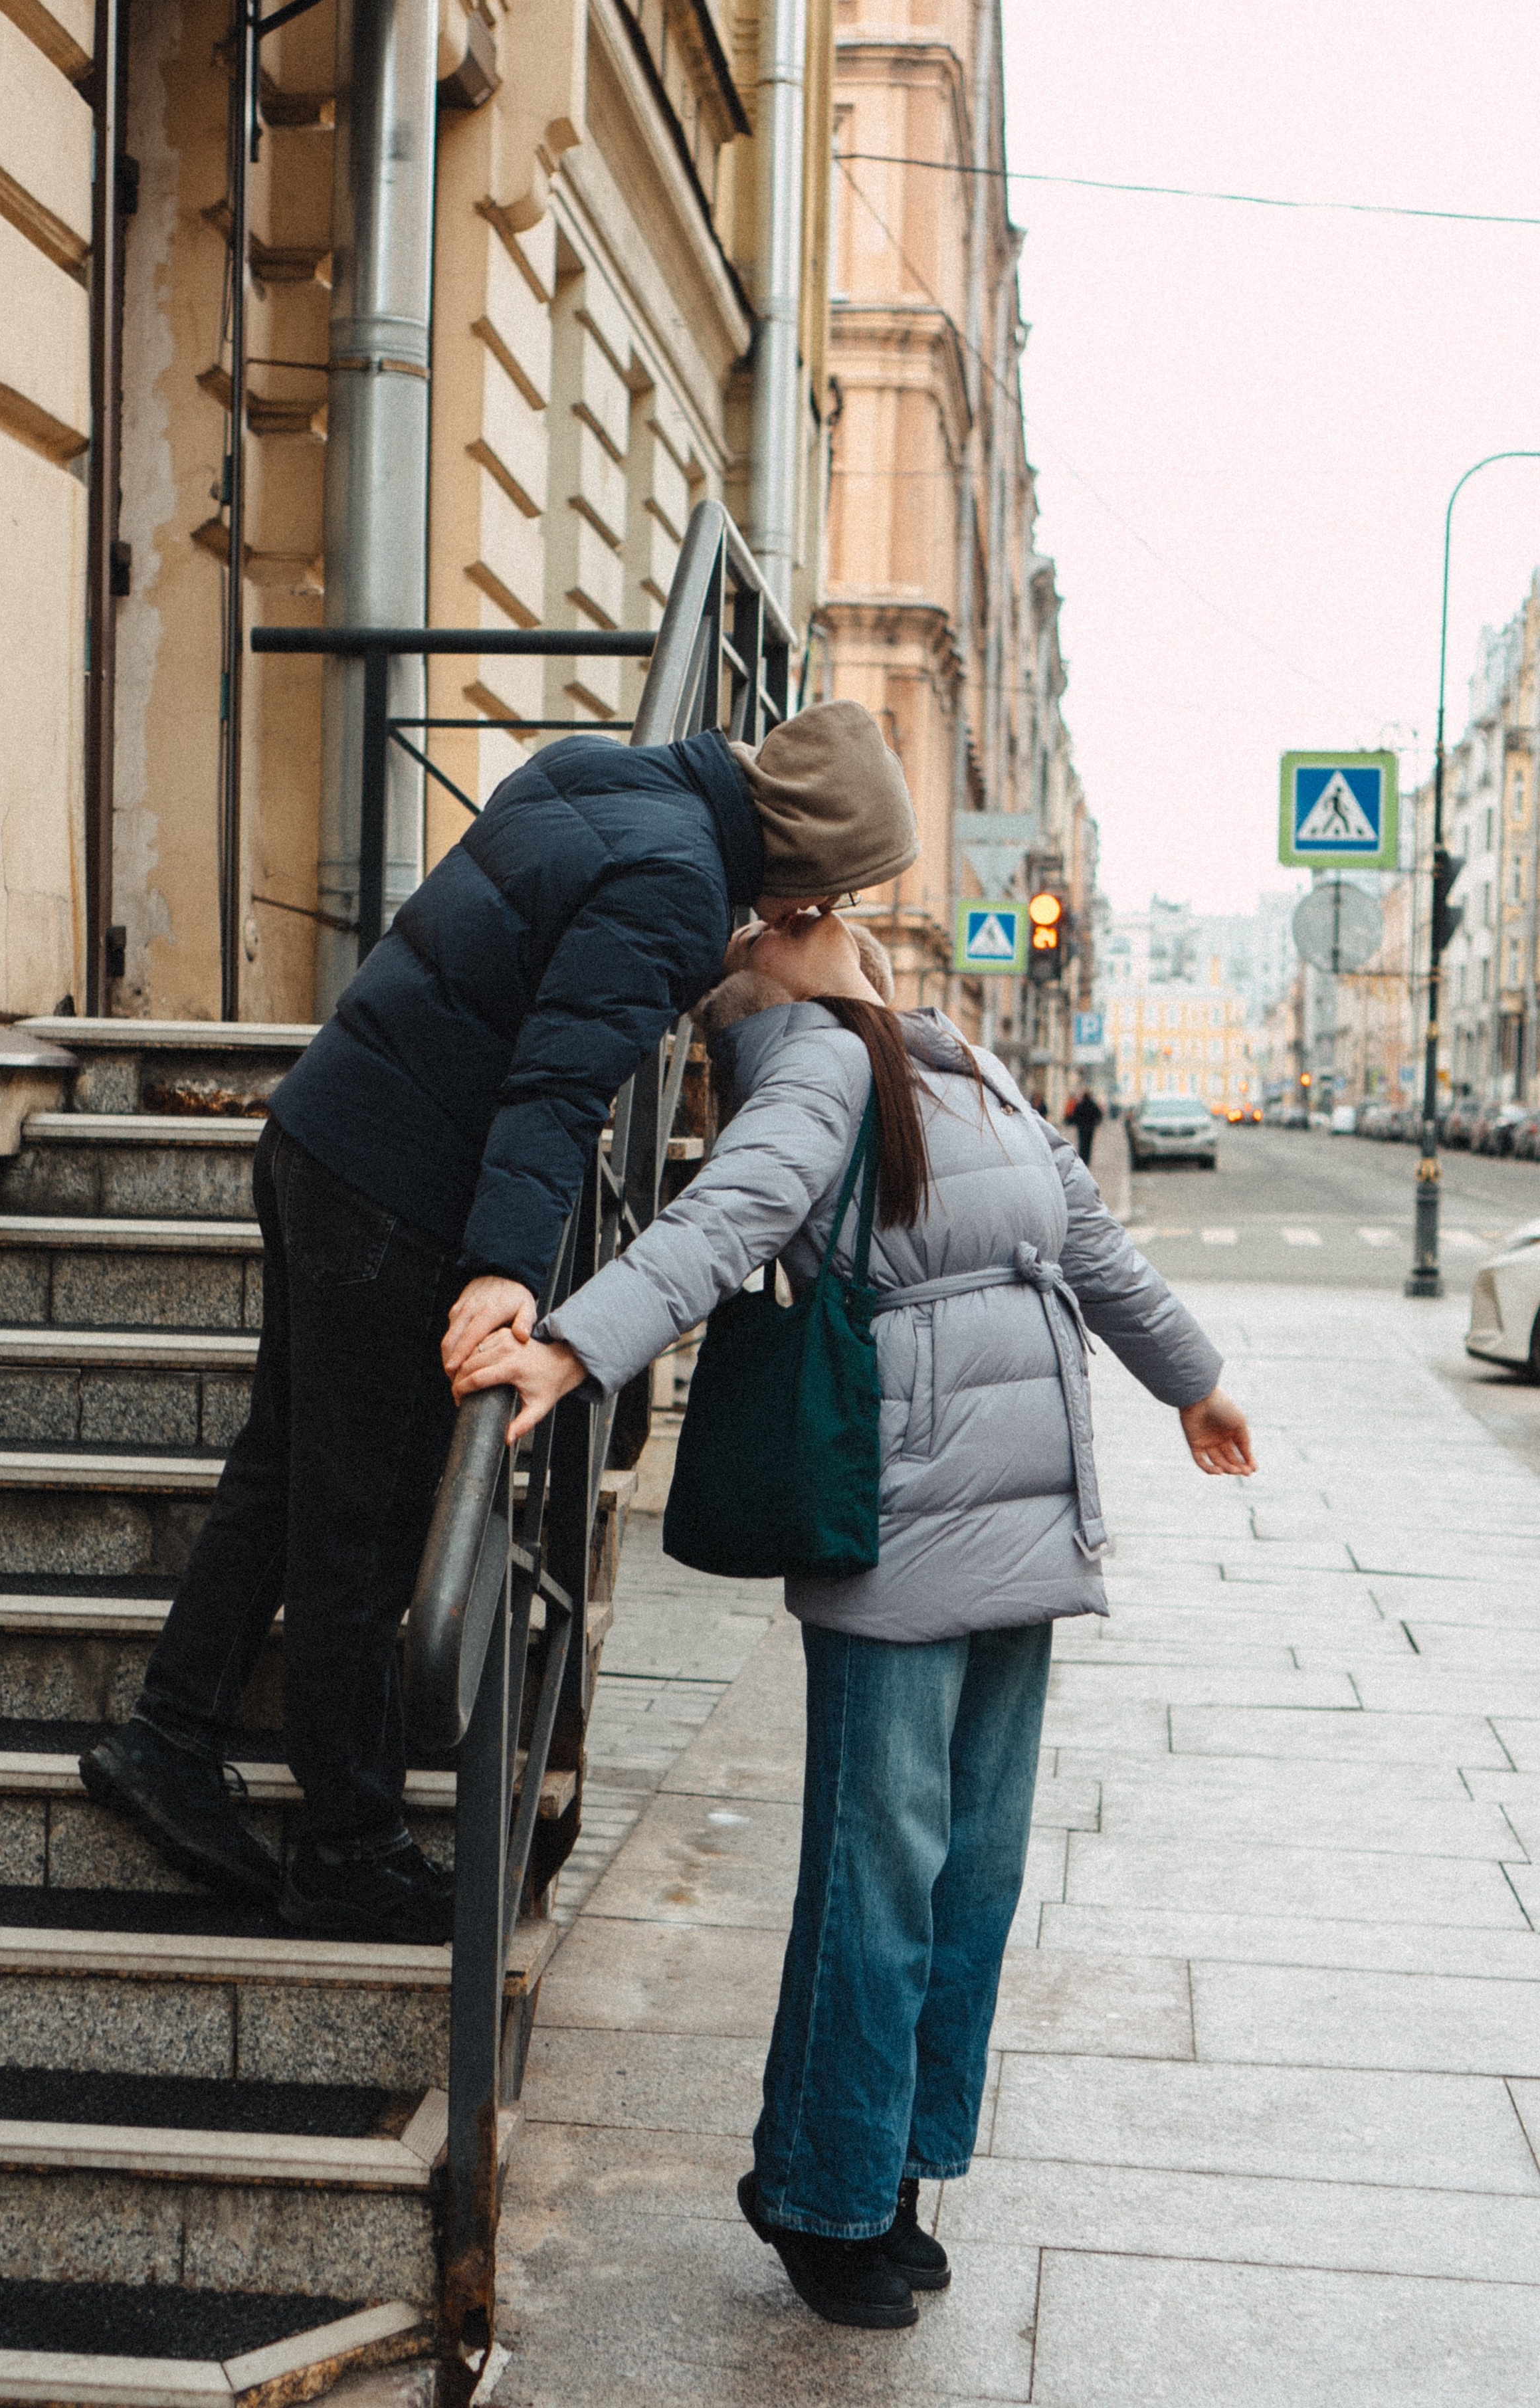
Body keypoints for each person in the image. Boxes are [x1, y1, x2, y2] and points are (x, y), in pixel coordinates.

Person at [453, 910, 1253, 2326]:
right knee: (878, 1883)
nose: (853, 930)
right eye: (804, 918)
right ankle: (821, 2195)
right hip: (900, 1516)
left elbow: (1085, 1239)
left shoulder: (959, 1060)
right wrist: (575, 1345)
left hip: (1025, 1512)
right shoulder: (815, 1067)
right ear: (763, 965)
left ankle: (890, 2169)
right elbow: (724, 1221)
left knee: (976, 1879)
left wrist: (1189, 1377)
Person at [78, 702, 921, 1944]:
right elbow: (556, 1082)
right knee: (361, 1534)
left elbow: (510, 980)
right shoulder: (681, 887)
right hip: (399, 1194)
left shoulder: (603, 773)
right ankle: (350, 1850)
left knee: (280, 1471)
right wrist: (504, 1270)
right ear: (806, 866)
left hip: (320, 1132)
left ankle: (169, 1737)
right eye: (831, 891)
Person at [1065, 1081, 1104, 1166]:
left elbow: (1075, 1115)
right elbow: (1099, 1115)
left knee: (1082, 1143)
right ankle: (1087, 1160)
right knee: (1089, 1144)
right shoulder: (1093, 1105)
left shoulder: (1080, 1105)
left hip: (1082, 1128)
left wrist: (1074, 1122)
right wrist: (1096, 1122)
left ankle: (1082, 1159)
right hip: (1090, 1128)